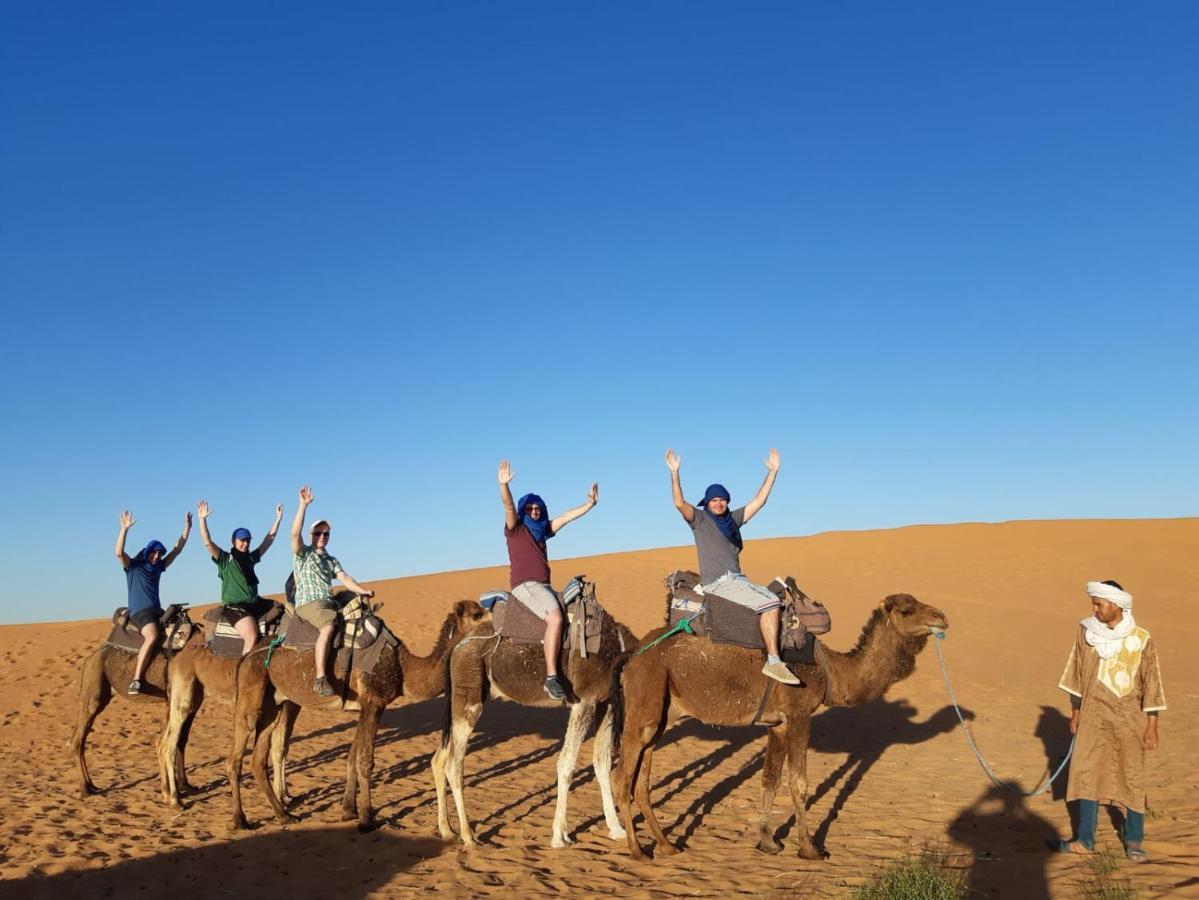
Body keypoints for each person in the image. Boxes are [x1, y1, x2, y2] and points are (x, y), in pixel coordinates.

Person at [665, 447, 799, 685]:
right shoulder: (699, 520)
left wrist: (773, 472)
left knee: (778, 597)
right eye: (714, 500)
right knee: (770, 604)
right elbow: (678, 503)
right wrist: (675, 473)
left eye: (722, 499)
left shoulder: (732, 520)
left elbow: (760, 501)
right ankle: (774, 662)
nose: (718, 503)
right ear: (707, 502)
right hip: (718, 582)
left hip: (738, 579)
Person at [1055, 580, 1166, 862]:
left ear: (1115, 605)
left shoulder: (1141, 638)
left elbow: (1151, 682)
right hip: (1093, 716)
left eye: (1099, 604)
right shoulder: (1086, 632)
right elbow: (1077, 673)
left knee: (1132, 776)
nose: (1094, 609)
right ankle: (1084, 841)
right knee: (1087, 774)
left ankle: (1133, 841)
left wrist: (1152, 725)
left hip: (1130, 718)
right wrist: (1076, 712)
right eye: (1093, 603)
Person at [497, 459, 598, 701]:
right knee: (555, 618)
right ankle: (551, 677)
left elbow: (566, 517)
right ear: (524, 511)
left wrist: (589, 504)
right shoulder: (516, 529)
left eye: (538, 508)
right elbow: (509, 507)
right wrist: (504, 486)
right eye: (530, 508)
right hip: (526, 586)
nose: (535, 511)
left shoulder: (542, 532)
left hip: (543, 587)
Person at [290, 485, 374, 697]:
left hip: (329, 602)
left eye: (325, 533)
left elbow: (344, 577)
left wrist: (362, 591)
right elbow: (293, 534)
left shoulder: (331, 559)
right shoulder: (303, 554)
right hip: (310, 604)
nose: (322, 536)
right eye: (318, 532)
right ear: (311, 534)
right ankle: (320, 678)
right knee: (328, 627)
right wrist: (302, 505)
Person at [115, 509, 191, 694]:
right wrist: (124, 529)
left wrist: (187, 528)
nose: (157, 557)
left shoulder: (158, 567)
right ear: (147, 552)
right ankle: (137, 679)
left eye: (159, 554)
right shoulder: (133, 566)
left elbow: (177, 550)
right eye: (154, 553)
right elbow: (119, 553)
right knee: (153, 636)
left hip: (157, 611)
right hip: (141, 612)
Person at [197, 499, 284, 656]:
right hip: (236, 607)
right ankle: (243, 670)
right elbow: (208, 543)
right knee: (251, 636)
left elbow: (268, 541)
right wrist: (202, 520)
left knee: (282, 611)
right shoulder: (226, 560)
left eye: (248, 540)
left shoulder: (250, 558)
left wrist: (278, 519)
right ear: (233, 541)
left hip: (255, 603)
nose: (245, 543)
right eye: (242, 540)